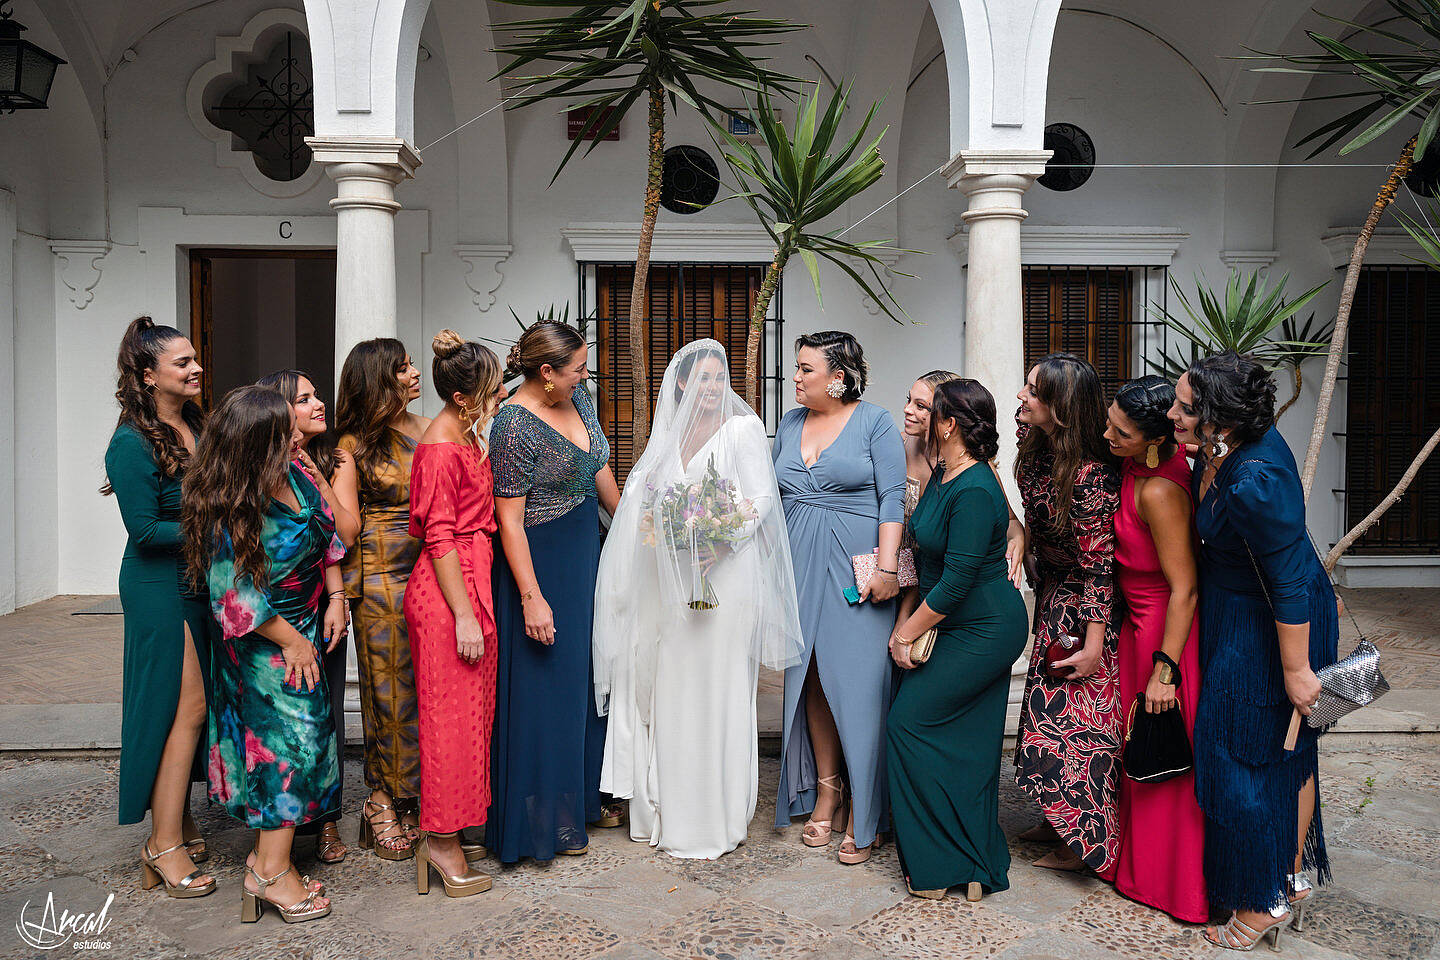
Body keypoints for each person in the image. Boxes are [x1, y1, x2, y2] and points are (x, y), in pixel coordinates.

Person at [594, 340, 804, 859]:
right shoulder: (665, 438)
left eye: (719, 377)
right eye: (702, 379)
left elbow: (760, 501)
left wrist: (719, 537)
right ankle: (667, 807)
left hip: (726, 581)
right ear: (682, 384)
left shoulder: (743, 430)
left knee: (719, 689)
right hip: (671, 587)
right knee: (674, 690)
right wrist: (664, 535)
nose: (712, 388)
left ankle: (716, 814)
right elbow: (643, 512)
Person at [1170, 352, 1337, 951]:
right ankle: (1290, 880)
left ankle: (1263, 898)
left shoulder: (1255, 477)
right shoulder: (1222, 452)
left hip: (1275, 625)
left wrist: (1297, 670)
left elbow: (1289, 579)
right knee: (1279, 754)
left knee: (1240, 755)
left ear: (1219, 419)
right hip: (1240, 612)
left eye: (1185, 408)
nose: (1173, 415)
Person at [183, 385, 345, 924]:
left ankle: (265, 857)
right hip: (265, 643)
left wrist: (334, 598)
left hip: (304, 628)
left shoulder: (295, 473)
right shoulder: (231, 504)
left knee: (310, 740)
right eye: (286, 426)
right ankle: (271, 874)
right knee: (284, 749)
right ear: (259, 441)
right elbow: (234, 600)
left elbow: (330, 535)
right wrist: (292, 640)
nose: (299, 429)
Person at [886, 379, 1028, 902]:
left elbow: (957, 580)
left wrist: (905, 633)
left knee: (908, 722)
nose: (921, 417)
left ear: (948, 424)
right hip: (959, 622)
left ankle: (948, 857)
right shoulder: (947, 472)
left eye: (933, 411)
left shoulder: (972, 487)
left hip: (985, 627)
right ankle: (969, 863)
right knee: (969, 742)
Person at [487, 321, 623, 863]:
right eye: (577, 370)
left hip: (586, 555)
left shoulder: (580, 398)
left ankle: (577, 803)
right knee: (544, 692)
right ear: (546, 374)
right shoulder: (513, 427)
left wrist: (636, 526)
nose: (585, 376)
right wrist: (530, 596)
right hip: (539, 564)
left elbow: (600, 471)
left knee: (583, 685)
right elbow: (509, 520)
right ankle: (538, 820)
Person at [772, 330, 906, 865]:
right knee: (811, 682)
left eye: (806, 369)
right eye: (797, 367)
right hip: (797, 568)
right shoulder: (788, 423)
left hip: (858, 572)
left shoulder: (874, 422)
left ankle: (864, 807)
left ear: (839, 376)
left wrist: (889, 570)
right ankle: (827, 790)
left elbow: (892, 500)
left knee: (860, 686)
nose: (797, 377)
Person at [103, 317, 215, 899]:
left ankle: (178, 821)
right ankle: (161, 844)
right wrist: (219, 523)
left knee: (189, 712)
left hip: (198, 582)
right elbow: (145, 530)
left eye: (195, 359)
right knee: (184, 708)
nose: (195, 368)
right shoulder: (129, 442)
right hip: (157, 585)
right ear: (148, 377)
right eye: (181, 363)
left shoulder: (197, 423)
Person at [404, 331, 508, 896]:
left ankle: (453, 828)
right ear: (465, 399)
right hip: (449, 595)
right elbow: (439, 538)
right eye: (490, 392)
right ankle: (440, 845)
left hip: (470, 580)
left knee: (471, 721)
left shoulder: (465, 432)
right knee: (449, 726)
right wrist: (464, 616)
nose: (498, 399)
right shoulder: (440, 448)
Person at [1012, 352, 1122, 876]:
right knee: (1042, 716)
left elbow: (1101, 566)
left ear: (1059, 405)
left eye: (1032, 391)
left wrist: (1095, 643)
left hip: (1085, 609)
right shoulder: (1034, 454)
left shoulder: (1091, 476)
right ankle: (1057, 819)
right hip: (1054, 594)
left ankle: (1084, 841)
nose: (1021, 396)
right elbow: (1034, 518)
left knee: (1078, 728)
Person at [1103, 376, 1208, 923]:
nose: (1107, 434)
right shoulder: (1133, 465)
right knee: (1140, 752)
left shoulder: (1161, 491)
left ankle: (1177, 887)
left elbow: (1185, 589)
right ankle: (1140, 871)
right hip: (1136, 631)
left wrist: (1164, 671)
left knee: (1164, 754)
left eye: (1118, 431)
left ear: (1150, 439)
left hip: (1166, 635)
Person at [332, 339, 432, 861]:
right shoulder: (351, 444)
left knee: (426, 686)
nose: (415, 374)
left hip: (433, 568)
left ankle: (418, 795)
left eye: (412, 364)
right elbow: (344, 528)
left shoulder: (427, 426)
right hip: (381, 577)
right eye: (402, 369)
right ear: (377, 381)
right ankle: (381, 802)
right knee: (388, 693)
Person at [257, 369, 359, 865]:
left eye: (316, 395)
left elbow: (340, 535)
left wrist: (337, 599)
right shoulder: (256, 476)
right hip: (272, 616)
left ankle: (325, 820)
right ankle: (276, 840)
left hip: (321, 609)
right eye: (305, 398)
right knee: (287, 726)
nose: (319, 404)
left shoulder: (322, 462)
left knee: (327, 715)